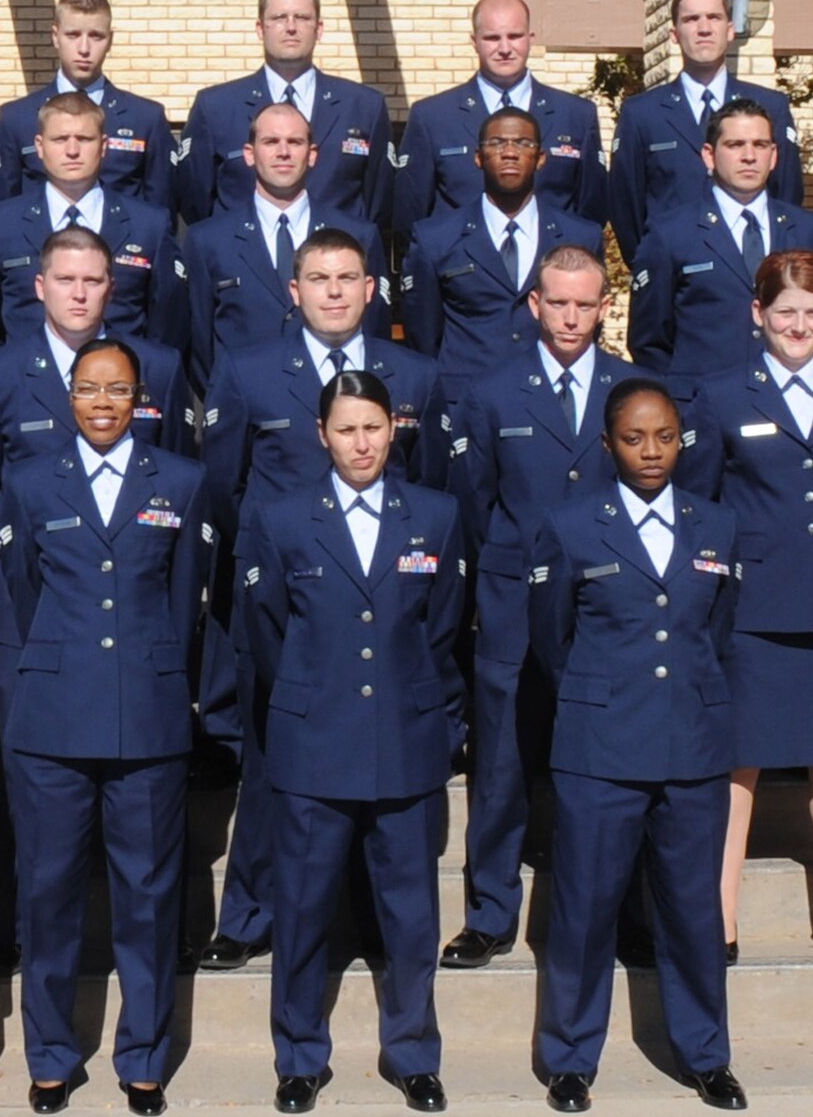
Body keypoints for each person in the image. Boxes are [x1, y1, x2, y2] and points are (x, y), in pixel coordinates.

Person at [198, 228, 441, 973]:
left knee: (386, 766)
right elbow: (224, 484)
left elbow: (429, 488)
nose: (334, 291)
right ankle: (250, 912)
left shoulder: (415, 375)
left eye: (348, 278)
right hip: (286, 602)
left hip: (384, 597)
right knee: (274, 756)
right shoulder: (247, 371)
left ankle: (371, 916)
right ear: (293, 290)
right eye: (318, 278)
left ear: (373, 290)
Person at [0, 227, 192, 974]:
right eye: (67, 280)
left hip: (129, 616)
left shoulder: (155, 366)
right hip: (33, 619)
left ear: (111, 289)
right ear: (39, 287)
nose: (80, 293)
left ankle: (135, 943)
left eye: (94, 281)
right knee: (28, 790)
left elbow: (177, 472)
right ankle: (20, 932)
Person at [0, 339, 211, 1117]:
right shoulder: (26, 481)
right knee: (47, 896)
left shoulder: (181, 481)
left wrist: (157, 678)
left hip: (146, 718)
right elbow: (17, 597)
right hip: (53, 719)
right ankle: (50, 1055)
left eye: (118, 390)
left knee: (148, 900)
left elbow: (187, 602)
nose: (103, 403)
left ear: (141, 397)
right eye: (88, 388)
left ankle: (143, 1059)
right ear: (68, 394)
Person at [236, 370, 465, 1115]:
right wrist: (307, 696)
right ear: (321, 434)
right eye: (346, 429)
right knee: (302, 908)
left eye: (373, 427)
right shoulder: (281, 517)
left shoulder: (434, 514)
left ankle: (413, 1054)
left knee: (410, 911)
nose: (361, 442)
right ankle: (299, 1054)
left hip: (404, 737)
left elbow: (442, 628)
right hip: (312, 741)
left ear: (393, 429)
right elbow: (268, 631)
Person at [529, 378, 747, 1114]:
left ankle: (706, 1055)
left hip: (691, 744)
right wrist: (605, 695)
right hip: (601, 746)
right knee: (584, 910)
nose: (651, 451)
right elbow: (551, 639)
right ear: (607, 444)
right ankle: (569, 1058)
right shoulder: (568, 525)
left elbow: (717, 631)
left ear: (682, 441)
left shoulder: (717, 526)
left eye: (665, 437)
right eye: (634, 437)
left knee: (693, 911)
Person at [439, 245, 659, 970]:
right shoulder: (493, 391)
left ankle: (622, 913)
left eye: (584, 304)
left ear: (605, 308)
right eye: (556, 302)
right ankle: (490, 914)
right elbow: (474, 502)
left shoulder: (633, 390)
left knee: (609, 774)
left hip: (604, 614)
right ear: (534, 305)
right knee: (501, 767)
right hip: (508, 607)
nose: (570, 316)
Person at [687, 250, 813, 969]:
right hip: (753, 606)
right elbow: (703, 503)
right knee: (737, 762)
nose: (798, 326)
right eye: (785, 313)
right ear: (757, 315)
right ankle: (722, 915)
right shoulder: (719, 396)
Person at [182, 101, 389, 390]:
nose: (283, 152)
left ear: (312, 154)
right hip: (245, 408)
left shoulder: (358, 235)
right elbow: (198, 342)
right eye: (270, 142)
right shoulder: (207, 240)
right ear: (249, 154)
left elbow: (375, 331)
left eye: (294, 142)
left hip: (337, 406)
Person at [0, 93, 183, 357]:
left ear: (103, 146)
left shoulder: (150, 225)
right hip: (27, 389)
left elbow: (169, 325)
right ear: (40, 147)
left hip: (121, 388)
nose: (72, 151)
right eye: (60, 139)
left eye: (84, 139)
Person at [629, 99, 813, 383]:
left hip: (783, 403)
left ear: (774, 155)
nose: (749, 156)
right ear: (709, 155)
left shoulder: (811, 231)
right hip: (700, 410)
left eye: (760, 145)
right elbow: (649, 340)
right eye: (735, 145)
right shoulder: (670, 233)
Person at [401, 108, 605, 385]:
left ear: (541, 158)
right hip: (463, 402)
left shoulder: (581, 237)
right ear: (478, 158)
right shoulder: (435, 237)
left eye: (523, 143)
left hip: (552, 399)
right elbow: (423, 335)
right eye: (496, 143)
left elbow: (588, 325)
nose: (510, 152)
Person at [608, 0, 802, 265]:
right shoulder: (642, 113)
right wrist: (653, 265)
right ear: (674, 34)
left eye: (714, 17)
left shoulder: (770, 106)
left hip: (753, 270)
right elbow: (626, 206)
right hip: (673, 276)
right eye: (691, 19)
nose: (703, 28)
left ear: (730, 30)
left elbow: (787, 193)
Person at [177, 0, 392, 226]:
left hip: (335, 257)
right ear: (260, 29)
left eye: (302, 18)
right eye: (279, 18)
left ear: (319, 29)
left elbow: (381, 202)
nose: (291, 27)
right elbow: (194, 200)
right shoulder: (216, 107)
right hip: (245, 257)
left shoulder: (364, 106)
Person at [395, 0, 604, 232]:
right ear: (474, 42)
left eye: (514, 36)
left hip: (551, 262)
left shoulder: (576, 115)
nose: (505, 48)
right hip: (460, 264)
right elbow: (410, 214)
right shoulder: (432, 117)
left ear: (530, 38)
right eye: (492, 38)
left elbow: (591, 213)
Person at [0, 0, 175, 209]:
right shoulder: (17, 119)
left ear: (110, 40)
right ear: (55, 37)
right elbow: (3, 213)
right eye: (73, 35)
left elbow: (161, 213)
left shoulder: (145, 119)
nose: (84, 49)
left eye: (96, 36)